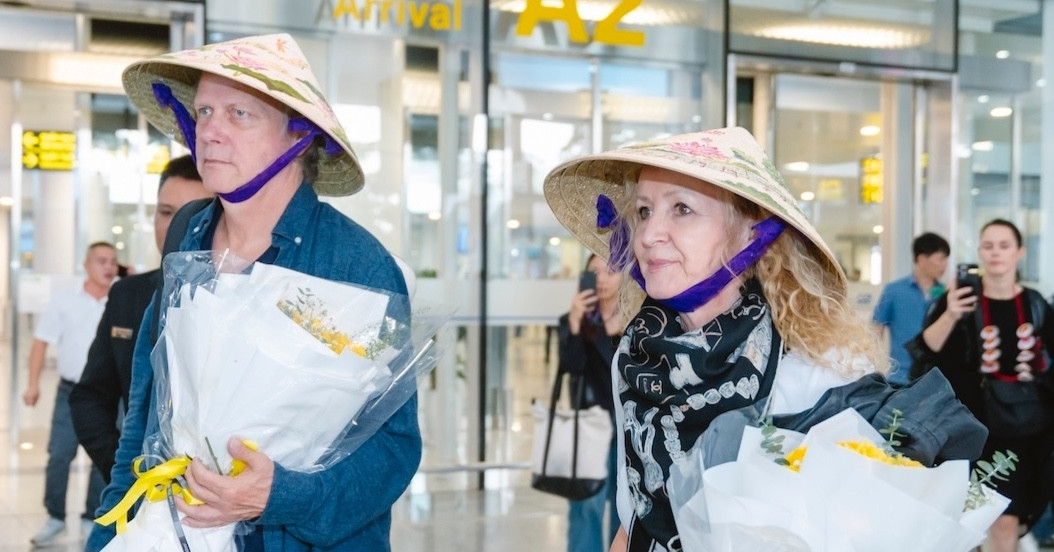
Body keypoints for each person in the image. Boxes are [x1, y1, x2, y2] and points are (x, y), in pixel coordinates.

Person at [542, 127, 987, 551]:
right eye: (643, 210)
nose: (650, 234)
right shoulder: (638, 354)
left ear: (751, 231)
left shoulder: (818, 363)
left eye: (681, 209)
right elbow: (635, 513)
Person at [86, 33, 415, 551]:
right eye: (204, 111)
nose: (210, 132)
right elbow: (148, 414)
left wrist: (282, 495)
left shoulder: (356, 265)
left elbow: (393, 449)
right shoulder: (188, 239)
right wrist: (109, 533)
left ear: (298, 136)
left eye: (240, 114)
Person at [910, 218, 1054, 552]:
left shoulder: (1034, 304)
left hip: (1021, 428)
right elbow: (925, 351)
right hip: (966, 427)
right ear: (979, 252)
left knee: (1006, 521)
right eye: (988, 246)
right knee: (964, 522)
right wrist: (951, 314)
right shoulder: (958, 298)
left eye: (1004, 246)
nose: (995, 253)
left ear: (1019, 252)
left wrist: (1036, 365)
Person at [69, 154, 212, 482]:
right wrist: (122, 467)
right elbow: (90, 395)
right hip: (140, 490)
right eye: (166, 212)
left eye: (195, 212)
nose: (176, 225)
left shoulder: (245, 296)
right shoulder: (127, 294)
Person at [23, 241, 118, 546]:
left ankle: (93, 518)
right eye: (102, 261)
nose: (108, 267)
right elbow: (40, 343)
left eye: (113, 262)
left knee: (103, 457)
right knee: (60, 454)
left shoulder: (121, 300)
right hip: (70, 392)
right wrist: (33, 384)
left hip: (108, 394)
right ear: (87, 265)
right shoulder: (64, 302)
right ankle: (55, 517)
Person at [559, 254, 622, 552]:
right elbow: (569, 366)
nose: (602, 279)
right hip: (589, 427)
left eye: (611, 271)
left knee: (625, 507)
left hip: (628, 427)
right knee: (587, 506)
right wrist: (574, 321)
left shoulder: (640, 321)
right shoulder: (576, 322)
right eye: (594, 272)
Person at [871, 231, 950, 384]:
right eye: (940, 258)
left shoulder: (948, 294)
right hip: (900, 378)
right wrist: (871, 370)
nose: (945, 264)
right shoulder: (894, 291)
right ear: (921, 259)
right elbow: (875, 330)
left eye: (946, 259)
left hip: (937, 379)